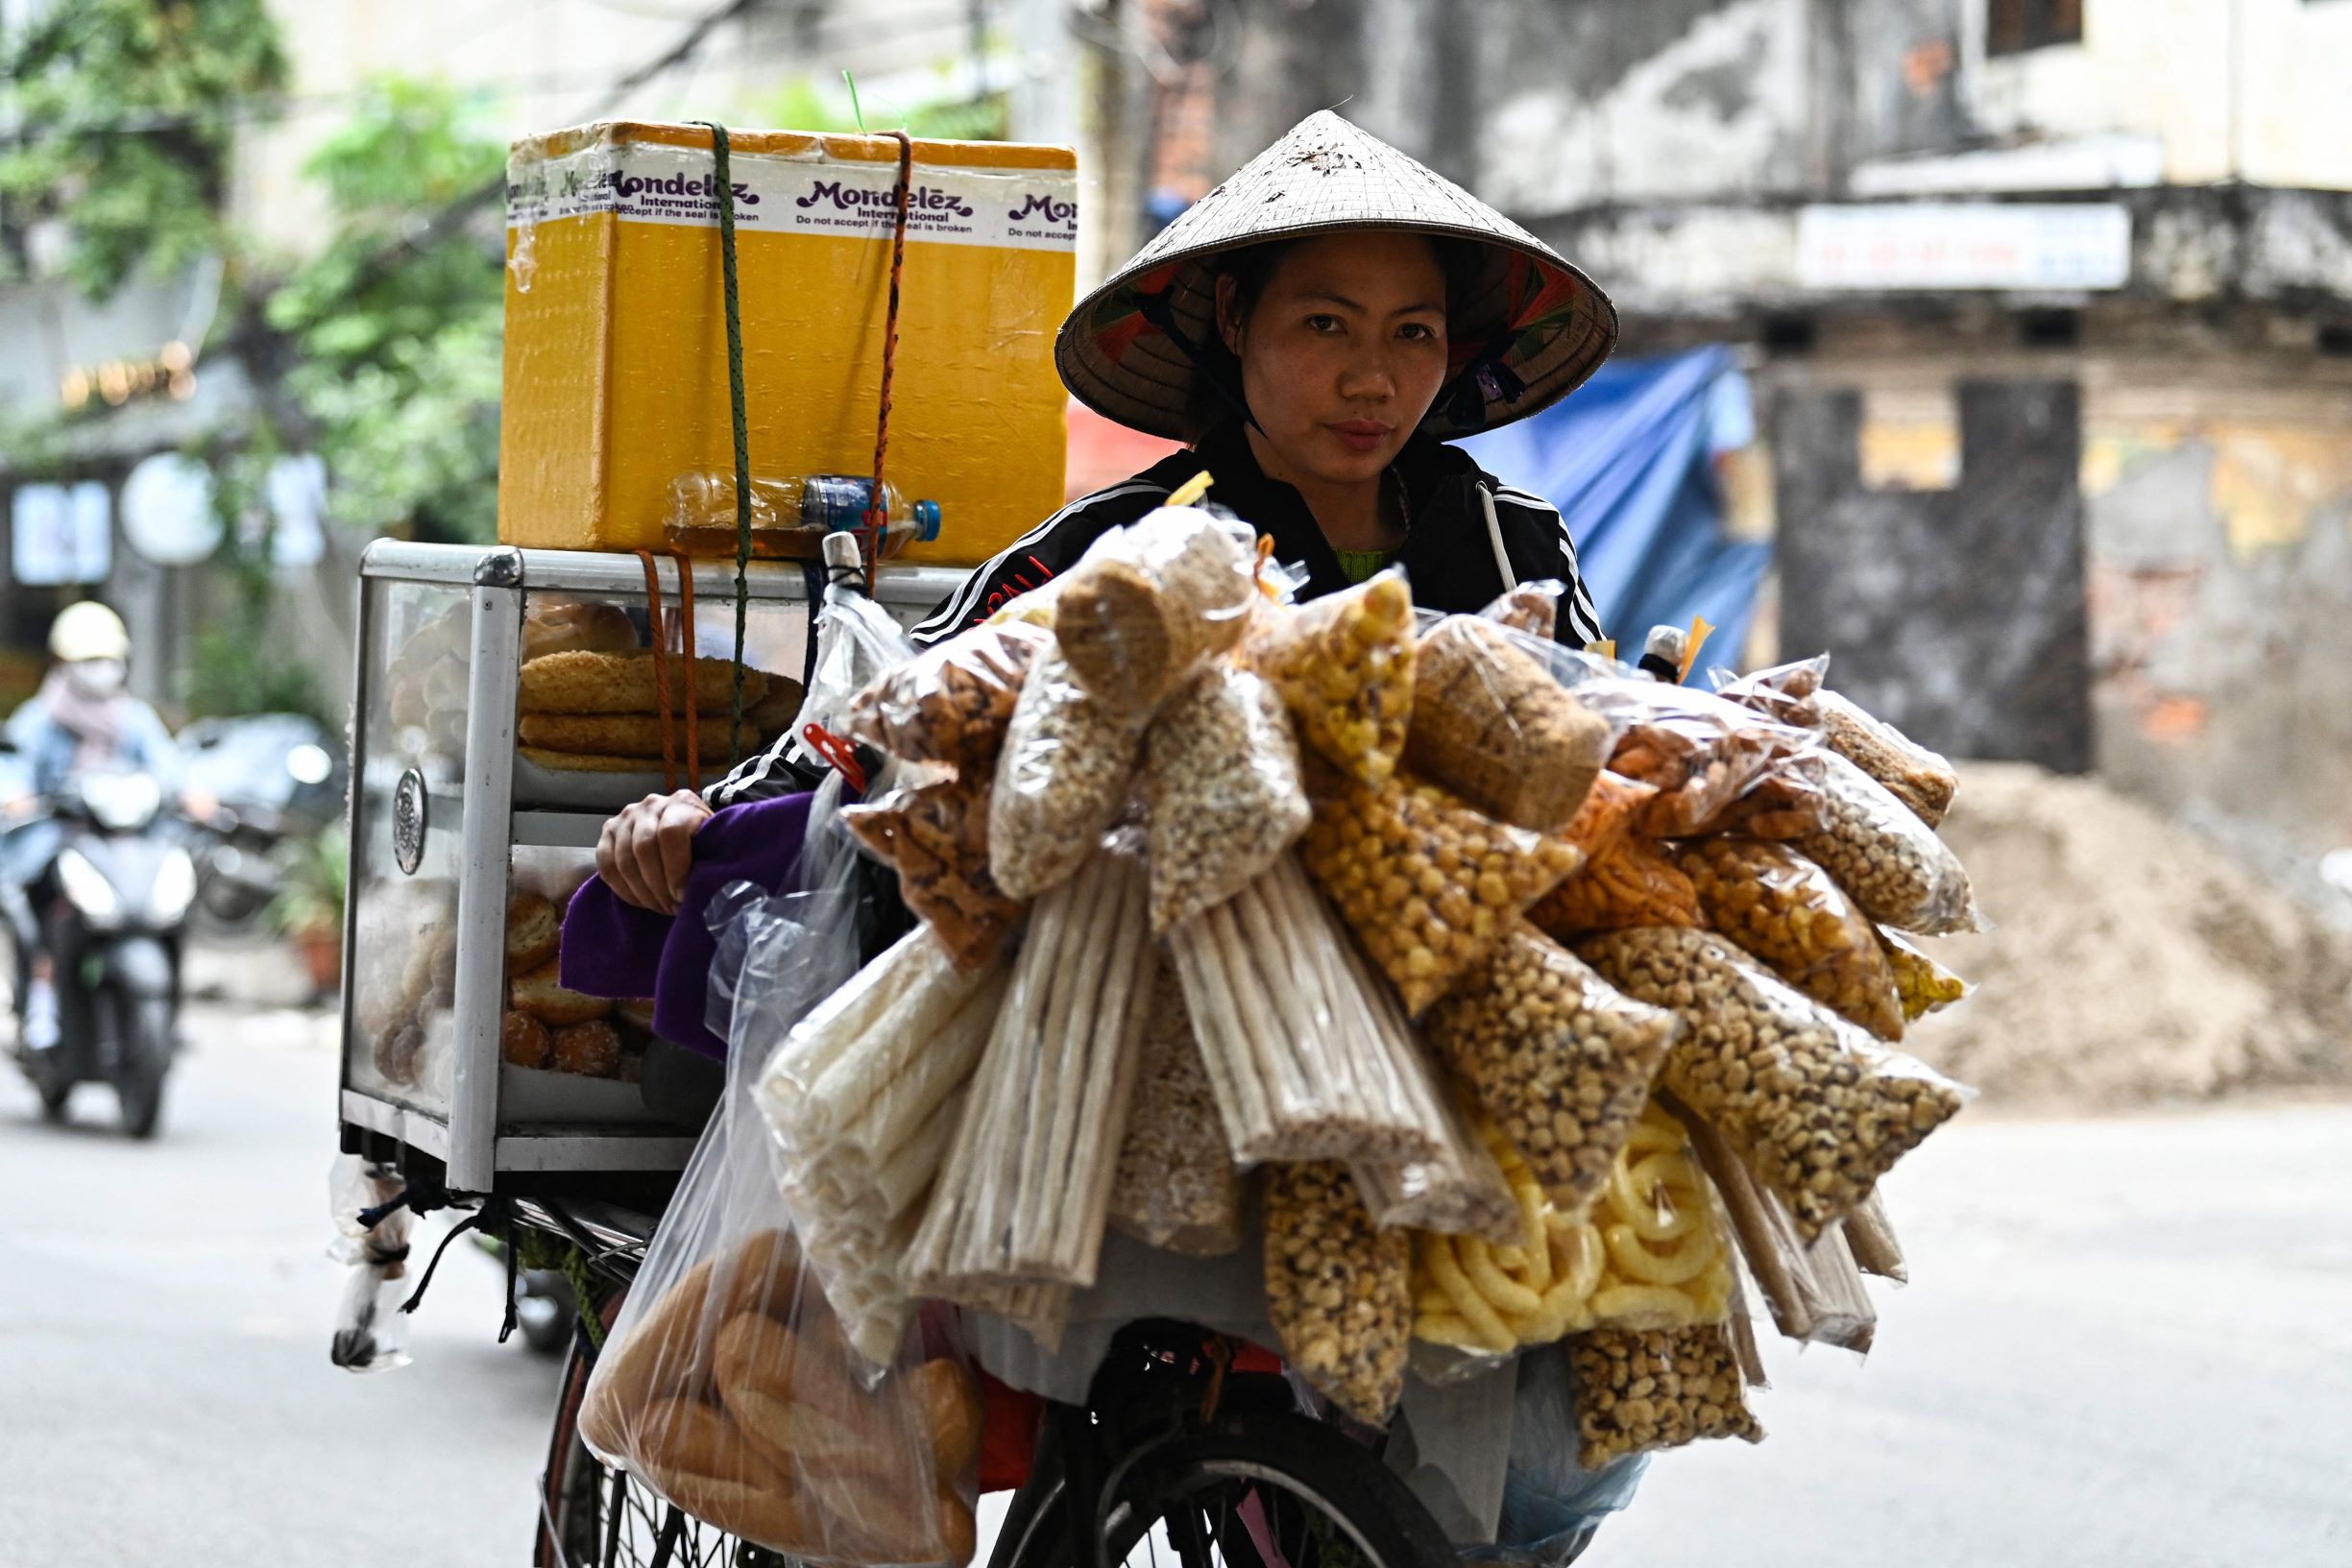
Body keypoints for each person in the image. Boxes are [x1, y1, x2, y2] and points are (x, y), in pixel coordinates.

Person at [597, 109, 1617, 916]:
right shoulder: (1116, 540)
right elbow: (898, 701)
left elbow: (1607, 735)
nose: (1372, 379)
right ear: (1232, 319)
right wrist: (708, 810)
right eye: (1324, 324)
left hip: (1464, 992)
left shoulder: (1508, 537)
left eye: (1412, 333)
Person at [3, 601, 182, 1051]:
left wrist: (189, 794)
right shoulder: (39, 720)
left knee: (176, 894)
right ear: (63, 663)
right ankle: (42, 1003)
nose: (100, 670)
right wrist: (16, 795)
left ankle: (171, 1007)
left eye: (107, 659)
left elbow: (169, 769)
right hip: (56, 842)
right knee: (48, 908)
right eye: (88, 661)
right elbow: (14, 768)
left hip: (125, 845)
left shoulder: (133, 718)